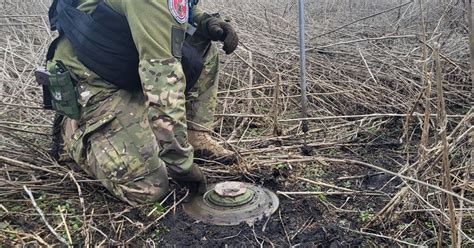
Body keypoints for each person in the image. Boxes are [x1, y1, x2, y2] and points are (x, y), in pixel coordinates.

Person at [42, 0, 239, 205]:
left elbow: (181, 6)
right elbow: (163, 81)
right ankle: (72, 130)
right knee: (148, 188)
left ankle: (195, 136)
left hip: (123, 60)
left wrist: (202, 20)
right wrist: (180, 164)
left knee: (202, 43)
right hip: (95, 81)